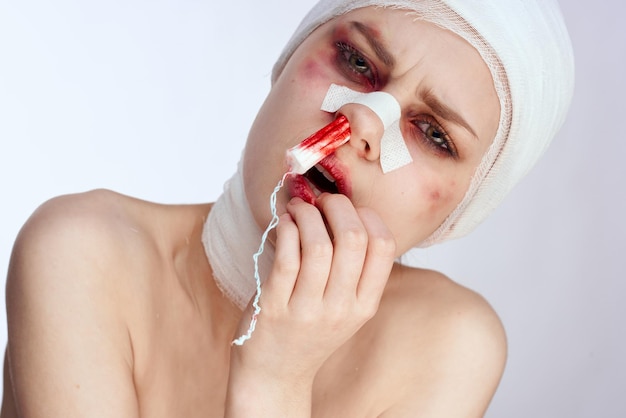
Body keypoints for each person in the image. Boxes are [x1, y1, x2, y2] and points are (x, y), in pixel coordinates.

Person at [1, 0, 574, 416]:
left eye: (433, 134)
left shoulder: (450, 342)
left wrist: (274, 379)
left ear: (461, 212)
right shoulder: (80, 252)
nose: (364, 122)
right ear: (285, 62)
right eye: (355, 62)